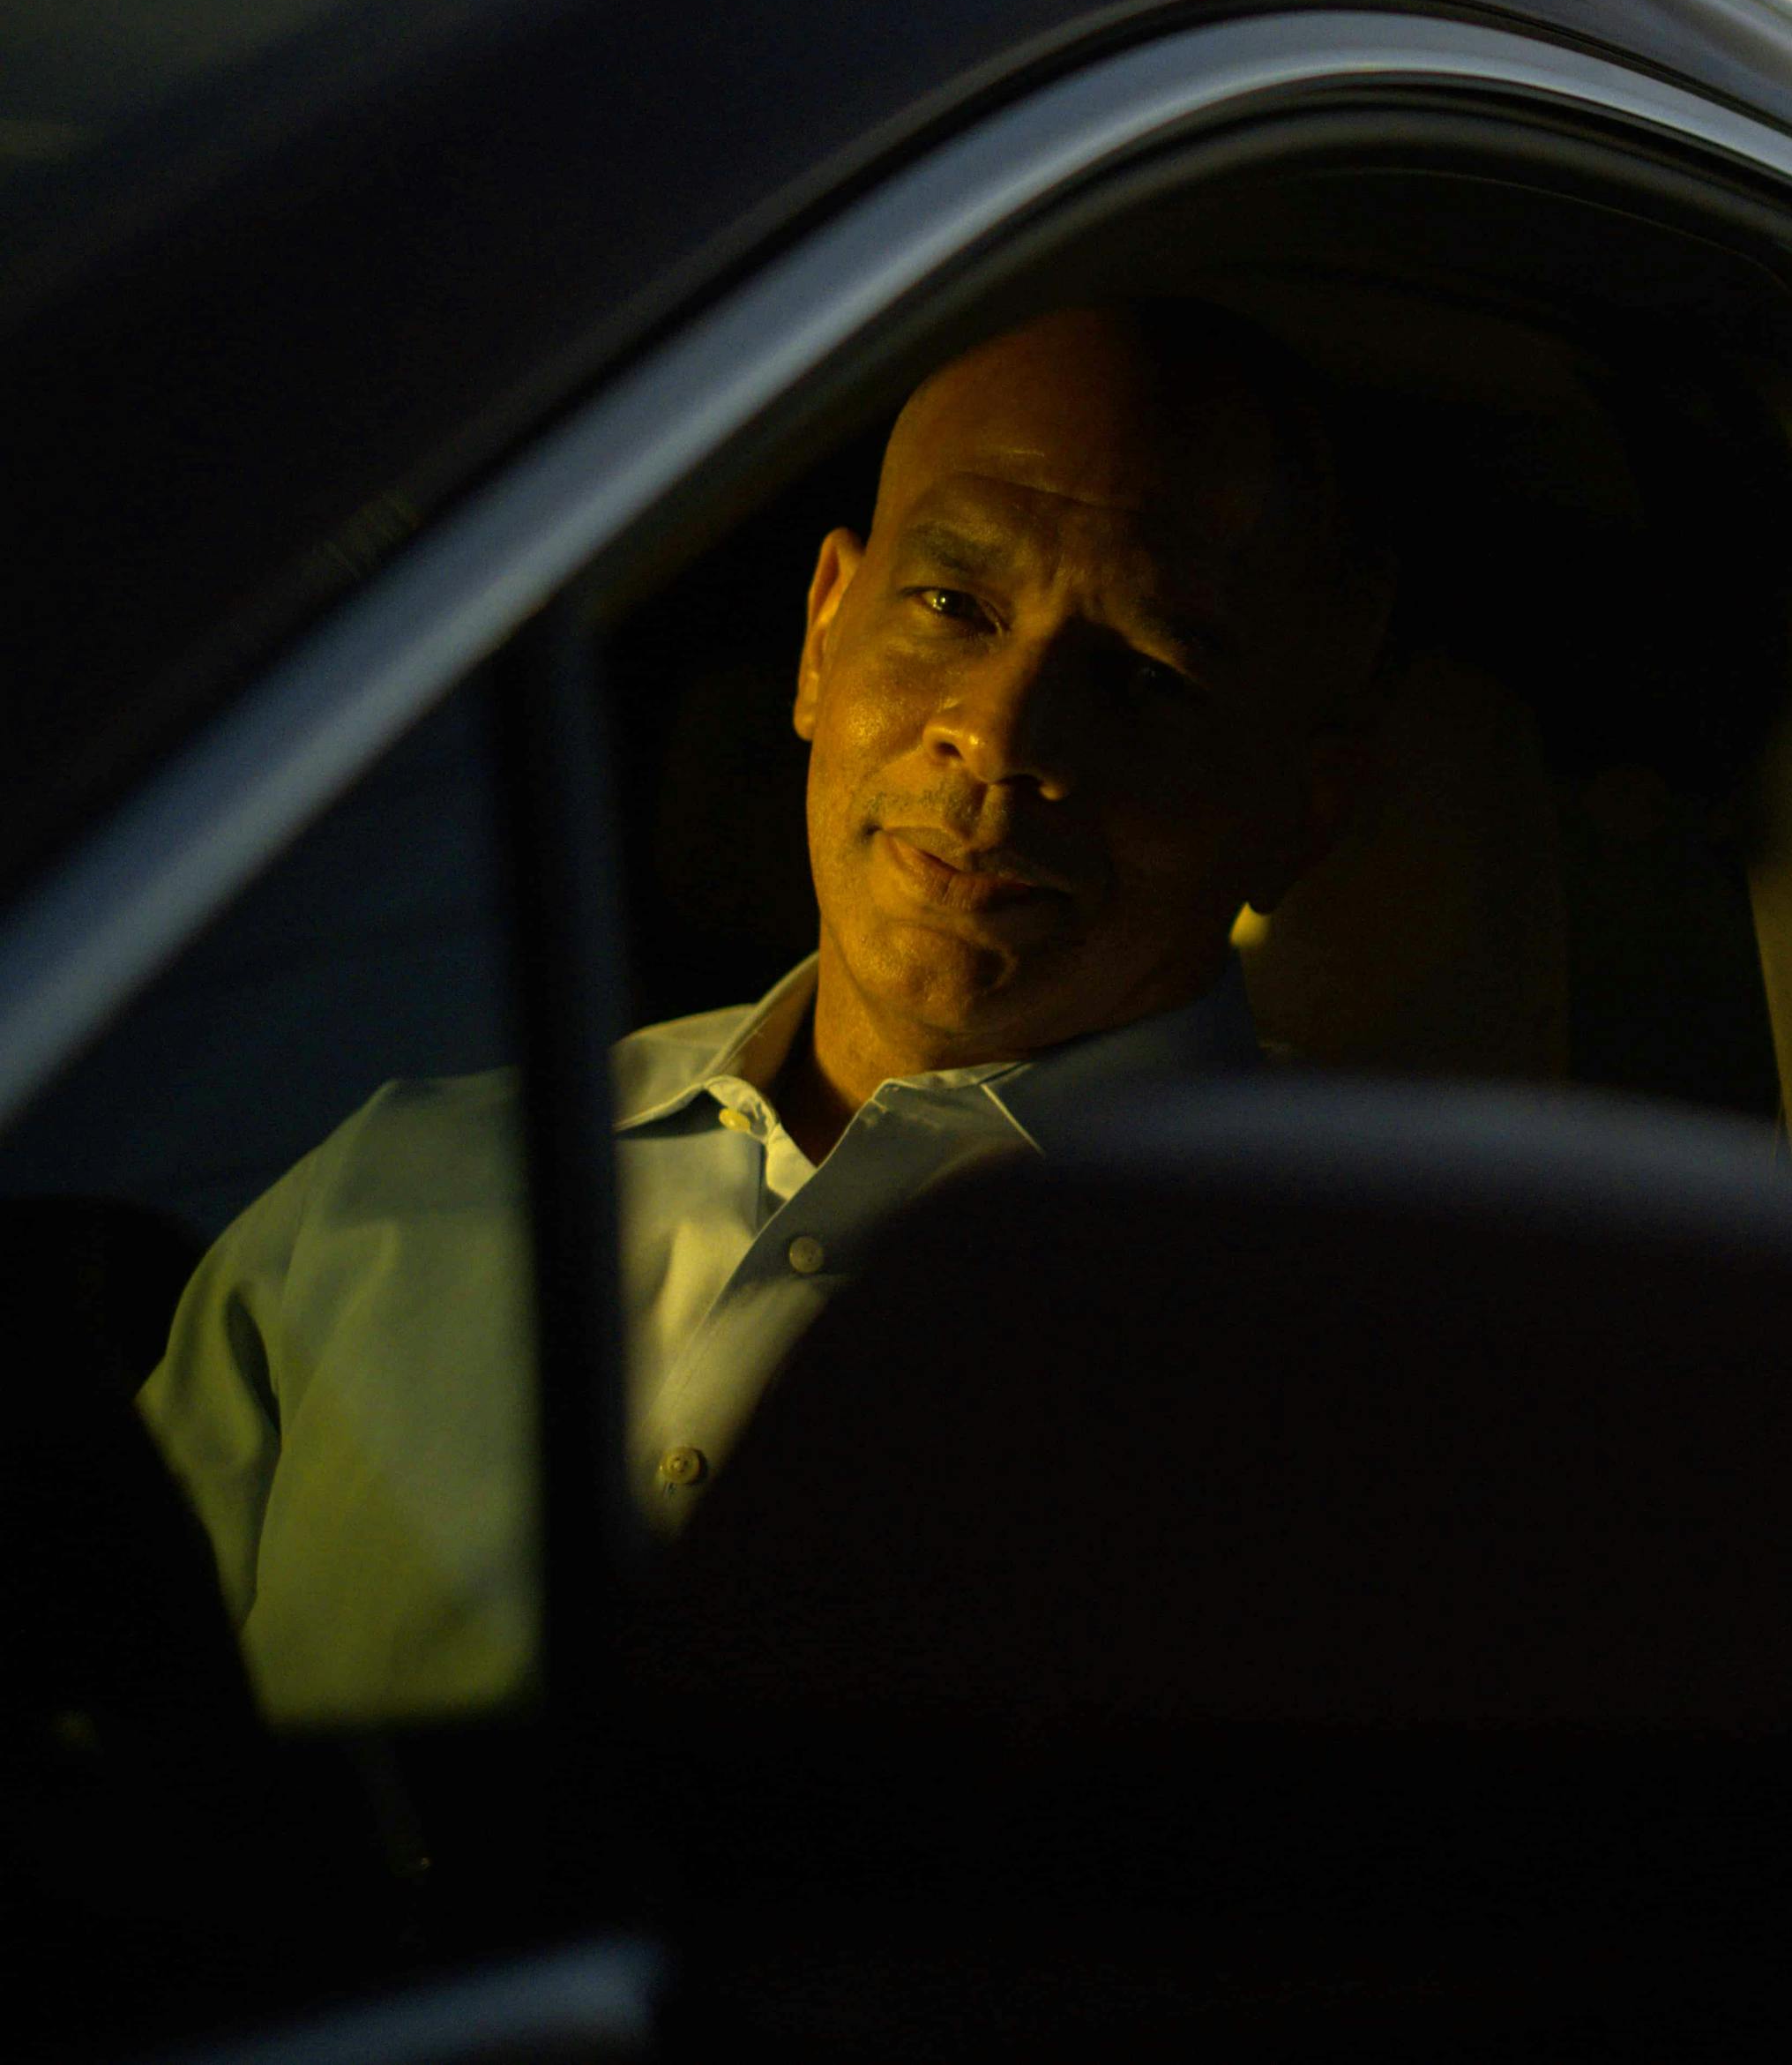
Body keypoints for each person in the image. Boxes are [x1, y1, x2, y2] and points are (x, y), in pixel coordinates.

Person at [139, 304, 1388, 1725]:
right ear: (820, 636)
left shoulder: (1359, 1346)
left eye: (1145, 676)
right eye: (952, 608)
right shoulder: (393, 1195)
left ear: (1304, 808)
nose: (1001, 732)